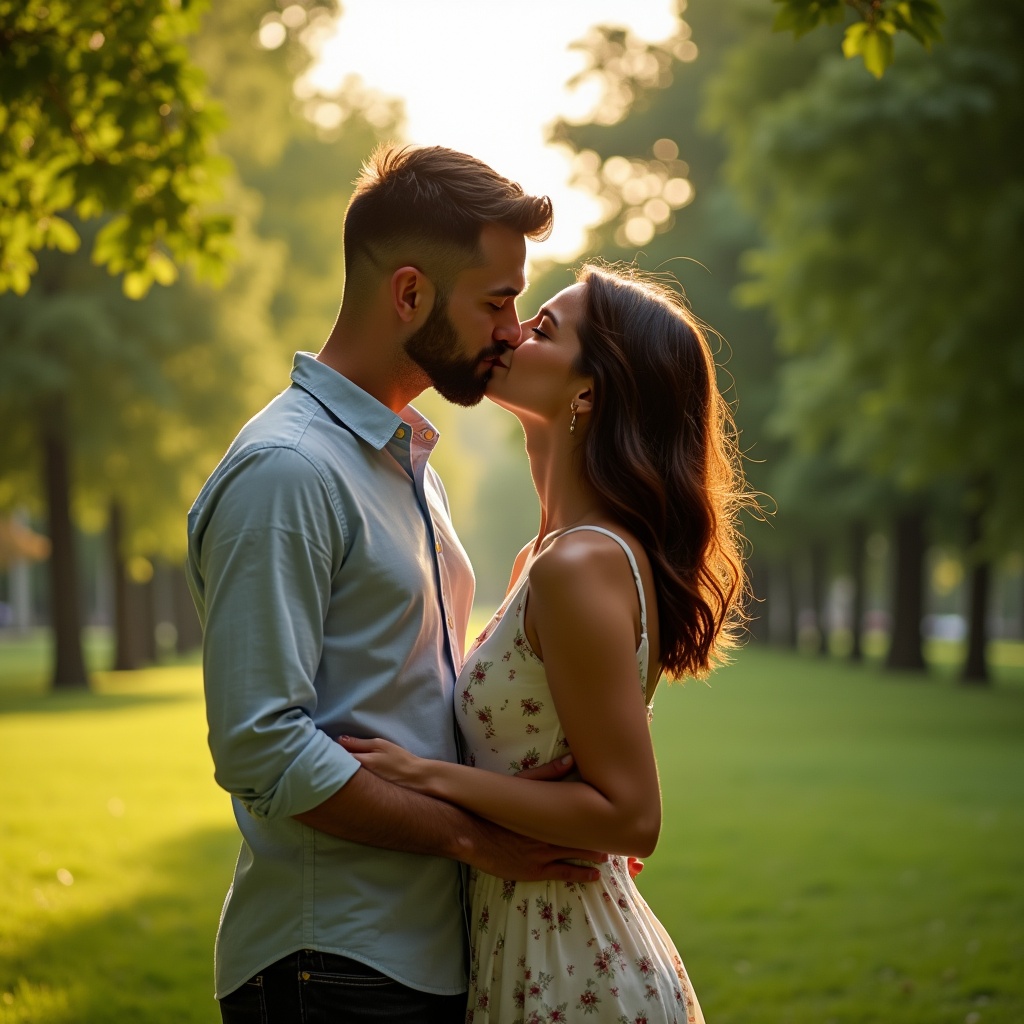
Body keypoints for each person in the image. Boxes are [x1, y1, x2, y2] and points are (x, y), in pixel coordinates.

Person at [186, 144, 608, 1024]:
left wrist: (528, 800)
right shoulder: (288, 471)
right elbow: (261, 746)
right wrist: (474, 838)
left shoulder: (405, 464)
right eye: (497, 301)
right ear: (410, 293)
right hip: (330, 963)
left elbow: (412, 699)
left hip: (414, 953)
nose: (512, 329)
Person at [339, 262, 752, 1023]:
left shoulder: (581, 563)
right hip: (527, 953)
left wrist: (426, 778)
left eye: (545, 329)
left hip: (577, 969)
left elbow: (632, 818)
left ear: (587, 392)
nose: (513, 331)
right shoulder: (545, 558)